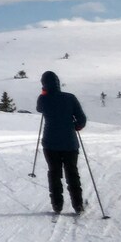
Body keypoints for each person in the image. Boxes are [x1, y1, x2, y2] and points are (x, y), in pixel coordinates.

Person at [36, 71, 87, 214]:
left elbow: (39, 108)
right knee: (72, 173)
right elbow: (81, 120)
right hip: (69, 143)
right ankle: (78, 205)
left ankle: (57, 205)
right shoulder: (70, 98)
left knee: (54, 173)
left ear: (44, 84)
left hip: (50, 144)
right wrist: (76, 126)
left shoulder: (43, 99)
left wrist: (45, 93)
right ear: (58, 82)